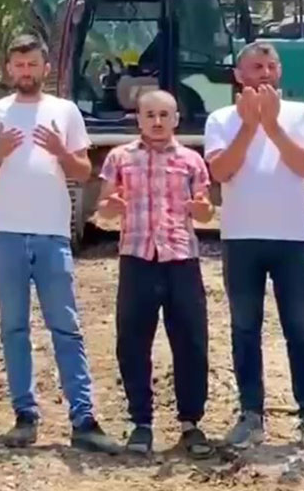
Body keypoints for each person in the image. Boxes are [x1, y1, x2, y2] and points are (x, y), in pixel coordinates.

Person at [0, 33, 121, 454]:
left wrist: (58, 148)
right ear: (8, 69)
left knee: (66, 327)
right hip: (5, 234)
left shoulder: (64, 111)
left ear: (45, 68)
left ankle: (84, 419)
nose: (25, 72)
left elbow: (83, 172)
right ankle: (25, 416)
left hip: (52, 233)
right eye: (18, 66)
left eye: (32, 65)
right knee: (14, 328)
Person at [203, 41, 304, 454]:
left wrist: (272, 125)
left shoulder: (301, 115)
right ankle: (251, 415)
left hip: (293, 237)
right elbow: (221, 170)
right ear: (238, 75)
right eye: (255, 67)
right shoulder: (222, 118)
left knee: (301, 330)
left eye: (270, 66)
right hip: (241, 239)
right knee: (244, 329)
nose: (264, 73)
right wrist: (249, 124)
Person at [96, 89, 215, 457]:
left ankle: (190, 424)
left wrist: (202, 209)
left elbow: (207, 212)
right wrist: (110, 206)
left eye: (165, 115)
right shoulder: (119, 158)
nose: (158, 122)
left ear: (177, 119)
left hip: (181, 259)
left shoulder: (192, 161)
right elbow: (103, 208)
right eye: (150, 115)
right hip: (136, 259)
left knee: (191, 342)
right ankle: (140, 424)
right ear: (139, 118)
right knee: (132, 342)